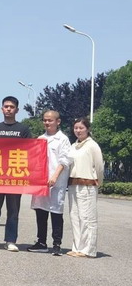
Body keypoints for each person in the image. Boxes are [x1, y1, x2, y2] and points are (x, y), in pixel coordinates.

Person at [0, 96, 31, 251]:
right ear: (1, 109)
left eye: (11, 107)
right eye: (6, 106)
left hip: (14, 177)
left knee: (13, 211)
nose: (9, 109)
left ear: (17, 110)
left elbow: (30, 151)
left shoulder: (23, 130)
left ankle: (10, 240)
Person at [28, 110, 71, 256]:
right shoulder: (40, 138)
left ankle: (57, 244)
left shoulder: (63, 139)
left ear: (58, 122)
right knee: (41, 211)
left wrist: (55, 176)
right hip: (41, 181)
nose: (47, 123)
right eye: (45, 120)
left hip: (56, 182)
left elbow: (64, 160)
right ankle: (41, 242)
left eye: (50, 120)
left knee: (56, 212)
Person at [66, 117, 104, 258]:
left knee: (87, 217)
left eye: (81, 128)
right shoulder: (73, 146)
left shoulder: (92, 145)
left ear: (87, 129)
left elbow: (99, 166)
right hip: (73, 184)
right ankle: (77, 247)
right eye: (76, 128)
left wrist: (98, 182)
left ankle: (88, 249)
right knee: (75, 216)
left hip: (88, 185)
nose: (78, 130)